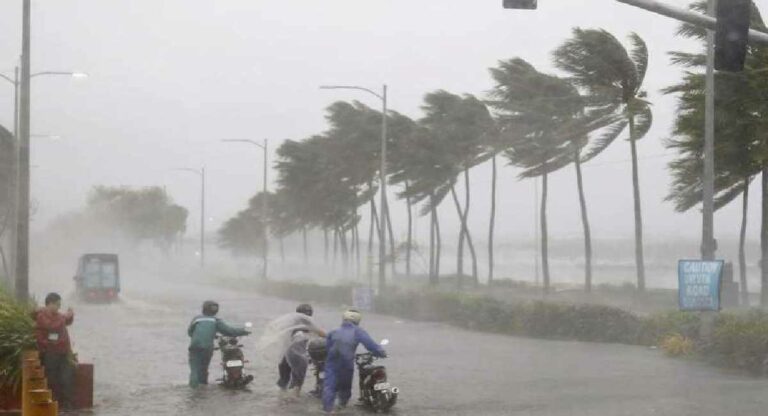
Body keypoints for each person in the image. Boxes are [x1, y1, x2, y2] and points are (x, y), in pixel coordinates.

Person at [322, 309, 386, 414]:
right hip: (346, 362)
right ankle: (342, 406)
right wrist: (381, 353)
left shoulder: (333, 331)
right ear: (357, 320)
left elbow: (328, 347)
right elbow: (370, 345)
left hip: (332, 361)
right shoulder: (358, 331)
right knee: (345, 385)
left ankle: (328, 409)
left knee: (329, 384)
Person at [187, 300, 250, 388]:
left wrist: (205, 336)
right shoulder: (215, 320)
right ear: (215, 311)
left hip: (194, 346)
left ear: (204, 309)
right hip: (207, 347)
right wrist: (243, 331)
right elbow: (229, 331)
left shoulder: (196, 319)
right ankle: (203, 388)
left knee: (194, 369)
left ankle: (193, 390)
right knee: (203, 369)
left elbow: (190, 332)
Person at [35, 292, 75, 410]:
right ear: (50, 304)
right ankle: (54, 405)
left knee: (67, 378)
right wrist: (65, 317)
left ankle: (67, 405)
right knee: (52, 379)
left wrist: (70, 315)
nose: (59, 307)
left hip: (63, 352)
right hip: (50, 352)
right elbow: (53, 326)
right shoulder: (42, 316)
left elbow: (66, 321)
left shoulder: (58, 316)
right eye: (57, 304)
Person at [276, 303, 326, 397]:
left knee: (283, 380)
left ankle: (281, 400)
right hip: (297, 356)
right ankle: (293, 402)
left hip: (284, 355)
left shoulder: (290, 323)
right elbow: (321, 333)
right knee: (297, 382)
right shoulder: (307, 323)